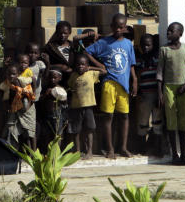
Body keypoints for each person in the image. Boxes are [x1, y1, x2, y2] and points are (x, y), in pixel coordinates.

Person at [84, 14, 137, 159]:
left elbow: (131, 64)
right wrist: (99, 65)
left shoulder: (127, 44)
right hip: (109, 83)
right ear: (111, 27)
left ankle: (123, 147)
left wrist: (135, 80)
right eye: (116, 27)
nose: (118, 30)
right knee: (108, 116)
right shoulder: (104, 43)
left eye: (121, 27)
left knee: (124, 116)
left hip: (124, 85)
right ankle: (110, 148)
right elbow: (87, 52)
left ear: (125, 28)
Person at [157, 22, 185, 165]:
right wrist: (160, 92)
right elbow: (160, 71)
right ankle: (175, 154)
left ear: (180, 33)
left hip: (183, 88)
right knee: (171, 121)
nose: (168, 33)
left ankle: (184, 154)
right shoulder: (164, 50)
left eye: (172, 31)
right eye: (168, 31)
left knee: (183, 121)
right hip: (169, 88)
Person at [66, 54, 103, 159]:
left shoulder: (91, 74)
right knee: (76, 130)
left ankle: (89, 151)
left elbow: (104, 71)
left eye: (83, 64)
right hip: (76, 107)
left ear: (87, 65)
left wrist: (90, 67)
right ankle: (77, 151)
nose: (81, 66)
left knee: (89, 129)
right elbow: (70, 86)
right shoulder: (74, 75)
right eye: (78, 64)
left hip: (88, 106)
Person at [134, 33, 164, 157]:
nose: (146, 48)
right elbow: (137, 76)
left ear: (153, 45)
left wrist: (160, 94)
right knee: (143, 122)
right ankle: (142, 148)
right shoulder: (139, 60)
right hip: (144, 95)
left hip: (156, 94)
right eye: (143, 45)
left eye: (148, 45)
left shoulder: (157, 59)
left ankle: (157, 149)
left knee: (157, 122)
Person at [2, 62, 36, 148]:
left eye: (13, 74)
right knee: (13, 130)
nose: (11, 76)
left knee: (29, 132)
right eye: (9, 74)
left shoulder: (21, 83)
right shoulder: (9, 84)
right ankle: (16, 151)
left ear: (18, 74)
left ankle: (33, 154)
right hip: (16, 110)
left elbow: (29, 96)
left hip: (26, 110)